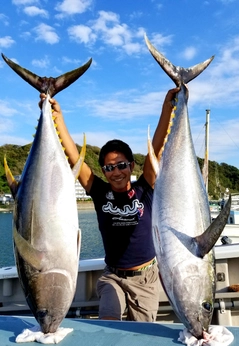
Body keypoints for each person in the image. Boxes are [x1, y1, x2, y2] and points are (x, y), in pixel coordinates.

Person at [39, 86, 179, 322]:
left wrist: (168, 106)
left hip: (145, 279)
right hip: (112, 276)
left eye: (122, 165)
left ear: (131, 165)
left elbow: (155, 148)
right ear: (103, 171)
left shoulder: (145, 187)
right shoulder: (99, 191)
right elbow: (74, 156)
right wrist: (57, 116)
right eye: (109, 167)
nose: (116, 172)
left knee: (141, 335)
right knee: (109, 322)